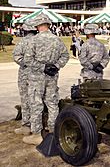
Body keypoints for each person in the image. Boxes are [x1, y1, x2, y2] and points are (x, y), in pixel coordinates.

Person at [22, 14, 69, 145]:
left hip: (37, 77)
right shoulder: (56, 40)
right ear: (48, 25)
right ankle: (54, 131)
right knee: (52, 103)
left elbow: (28, 59)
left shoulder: (33, 40)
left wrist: (43, 67)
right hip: (52, 77)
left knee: (36, 104)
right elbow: (65, 56)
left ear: (37, 26)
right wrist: (55, 66)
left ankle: (37, 134)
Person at [12, 22, 37, 135]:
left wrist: (27, 63)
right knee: (37, 99)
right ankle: (37, 125)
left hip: (25, 74)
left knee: (25, 99)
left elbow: (17, 57)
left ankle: (26, 126)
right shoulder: (39, 41)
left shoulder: (22, 42)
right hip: (38, 74)